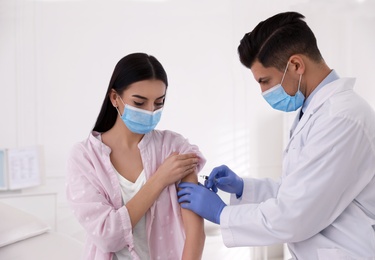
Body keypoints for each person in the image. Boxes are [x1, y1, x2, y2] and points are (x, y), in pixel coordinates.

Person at [177, 11, 375, 259]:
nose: (263, 92)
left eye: (265, 80)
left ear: (295, 65)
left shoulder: (342, 118)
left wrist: (221, 214)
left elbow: (296, 215)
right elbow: (299, 190)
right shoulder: (316, 112)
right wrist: (243, 188)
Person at [66, 53, 206, 260]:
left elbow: (195, 232)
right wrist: (159, 180)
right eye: (139, 103)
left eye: (158, 103)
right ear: (115, 98)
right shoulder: (85, 157)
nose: (150, 111)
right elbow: (107, 236)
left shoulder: (175, 148)